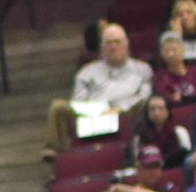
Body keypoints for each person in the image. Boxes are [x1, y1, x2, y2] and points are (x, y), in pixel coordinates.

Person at [47, 22, 151, 156]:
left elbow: (145, 97)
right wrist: (99, 111)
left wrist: (120, 108)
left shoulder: (142, 69)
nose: (113, 47)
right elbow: (78, 101)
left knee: (143, 104)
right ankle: (55, 155)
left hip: (127, 113)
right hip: (92, 114)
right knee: (58, 107)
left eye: (117, 42)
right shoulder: (86, 72)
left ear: (126, 45)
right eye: (108, 43)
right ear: (101, 47)